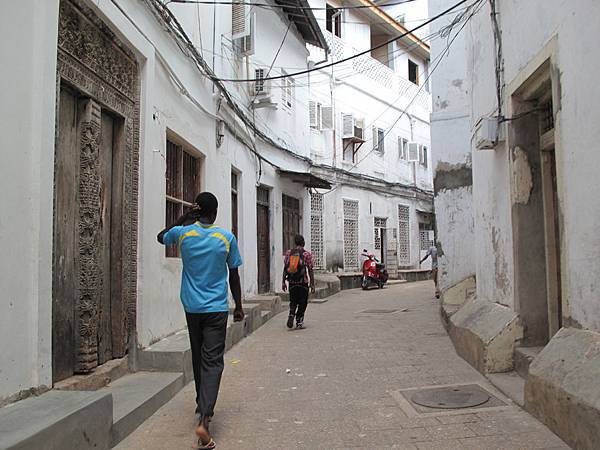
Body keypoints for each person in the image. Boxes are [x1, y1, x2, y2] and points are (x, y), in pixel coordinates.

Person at [157, 192, 243, 450]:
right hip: (216, 309)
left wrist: (184, 217)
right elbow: (234, 275)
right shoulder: (225, 238)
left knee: (198, 356)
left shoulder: (184, 234)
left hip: (192, 308)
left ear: (197, 211)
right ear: (215, 213)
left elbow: (161, 236)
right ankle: (205, 419)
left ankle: (201, 402)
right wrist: (238, 306)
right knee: (213, 361)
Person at [282, 234, 315, 329]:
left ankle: (291, 313)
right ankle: (299, 321)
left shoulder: (289, 253)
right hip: (303, 282)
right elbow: (310, 269)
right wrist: (312, 284)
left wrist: (283, 282)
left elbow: (285, 268)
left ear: (295, 243)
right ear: (303, 243)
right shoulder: (306, 254)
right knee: (303, 302)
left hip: (292, 281)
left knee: (293, 301)